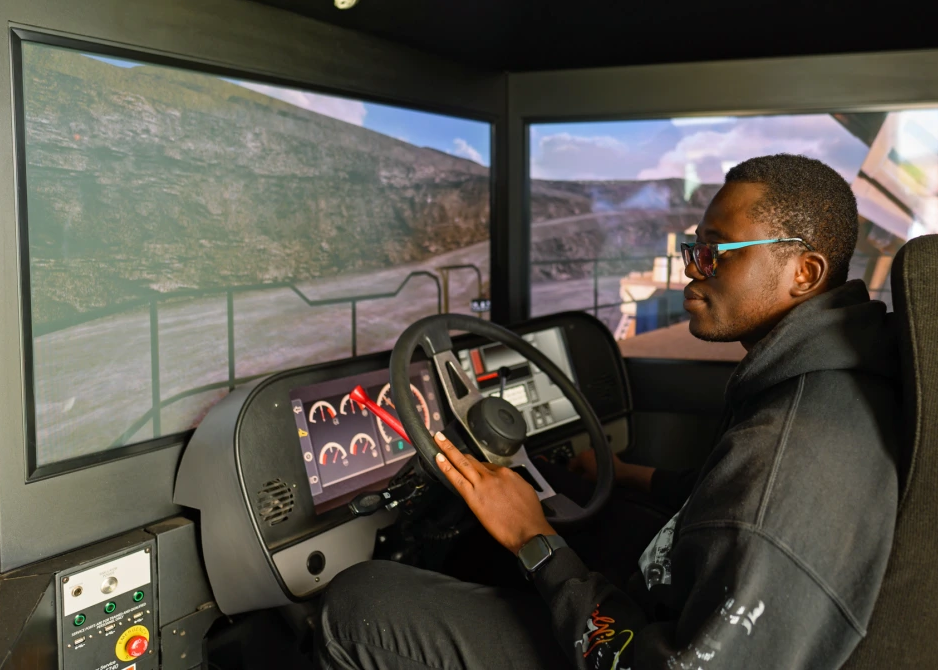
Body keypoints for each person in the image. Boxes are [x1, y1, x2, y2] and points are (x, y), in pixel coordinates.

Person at [318, 154, 899, 670]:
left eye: (715, 253)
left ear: (805, 273)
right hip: (672, 609)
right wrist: (625, 475)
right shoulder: (823, 381)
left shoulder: (782, 462)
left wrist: (532, 538)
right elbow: (723, 496)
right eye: (692, 249)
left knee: (358, 602)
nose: (693, 268)